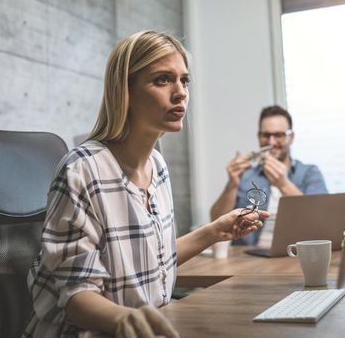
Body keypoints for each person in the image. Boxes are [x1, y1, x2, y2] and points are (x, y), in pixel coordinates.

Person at [22, 30, 268, 338]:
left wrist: (216, 231)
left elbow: (154, 261)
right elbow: (76, 296)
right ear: (124, 90)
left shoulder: (158, 165)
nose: (180, 93)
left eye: (184, 80)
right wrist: (124, 320)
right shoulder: (82, 169)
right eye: (163, 79)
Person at [210, 105, 327, 246]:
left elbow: (321, 221)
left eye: (278, 135)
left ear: (291, 137)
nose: (271, 142)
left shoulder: (310, 173)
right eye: (266, 135)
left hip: (297, 253)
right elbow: (217, 223)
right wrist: (232, 184)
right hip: (249, 256)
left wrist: (283, 184)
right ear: (259, 137)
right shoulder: (246, 176)